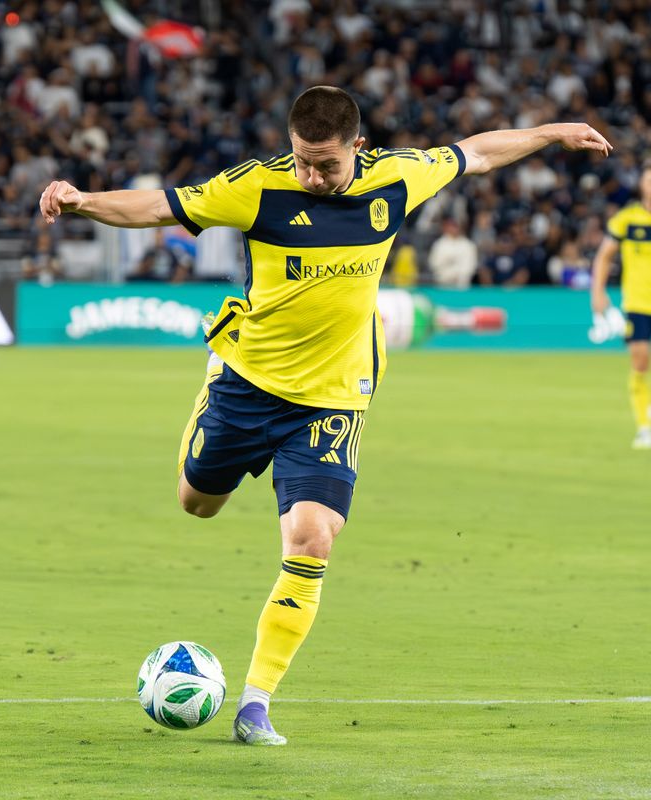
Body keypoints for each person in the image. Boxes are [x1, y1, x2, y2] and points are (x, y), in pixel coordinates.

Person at [39, 86, 611, 746]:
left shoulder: (397, 178)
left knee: (313, 536)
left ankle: (256, 705)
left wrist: (555, 128)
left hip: (335, 397)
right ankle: (213, 378)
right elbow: (163, 207)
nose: (312, 176)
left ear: (357, 150)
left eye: (327, 166)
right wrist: (83, 201)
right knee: (196, 502)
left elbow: (477, 153)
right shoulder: (257, 188)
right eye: (303, 162)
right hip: (249, 383)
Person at [591, 160, 651, 449]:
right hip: (638, 302)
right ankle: (644, 426)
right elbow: (604, 256)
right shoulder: (627, 220)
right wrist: (597, 293)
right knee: (640, 361)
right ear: (642, 185)